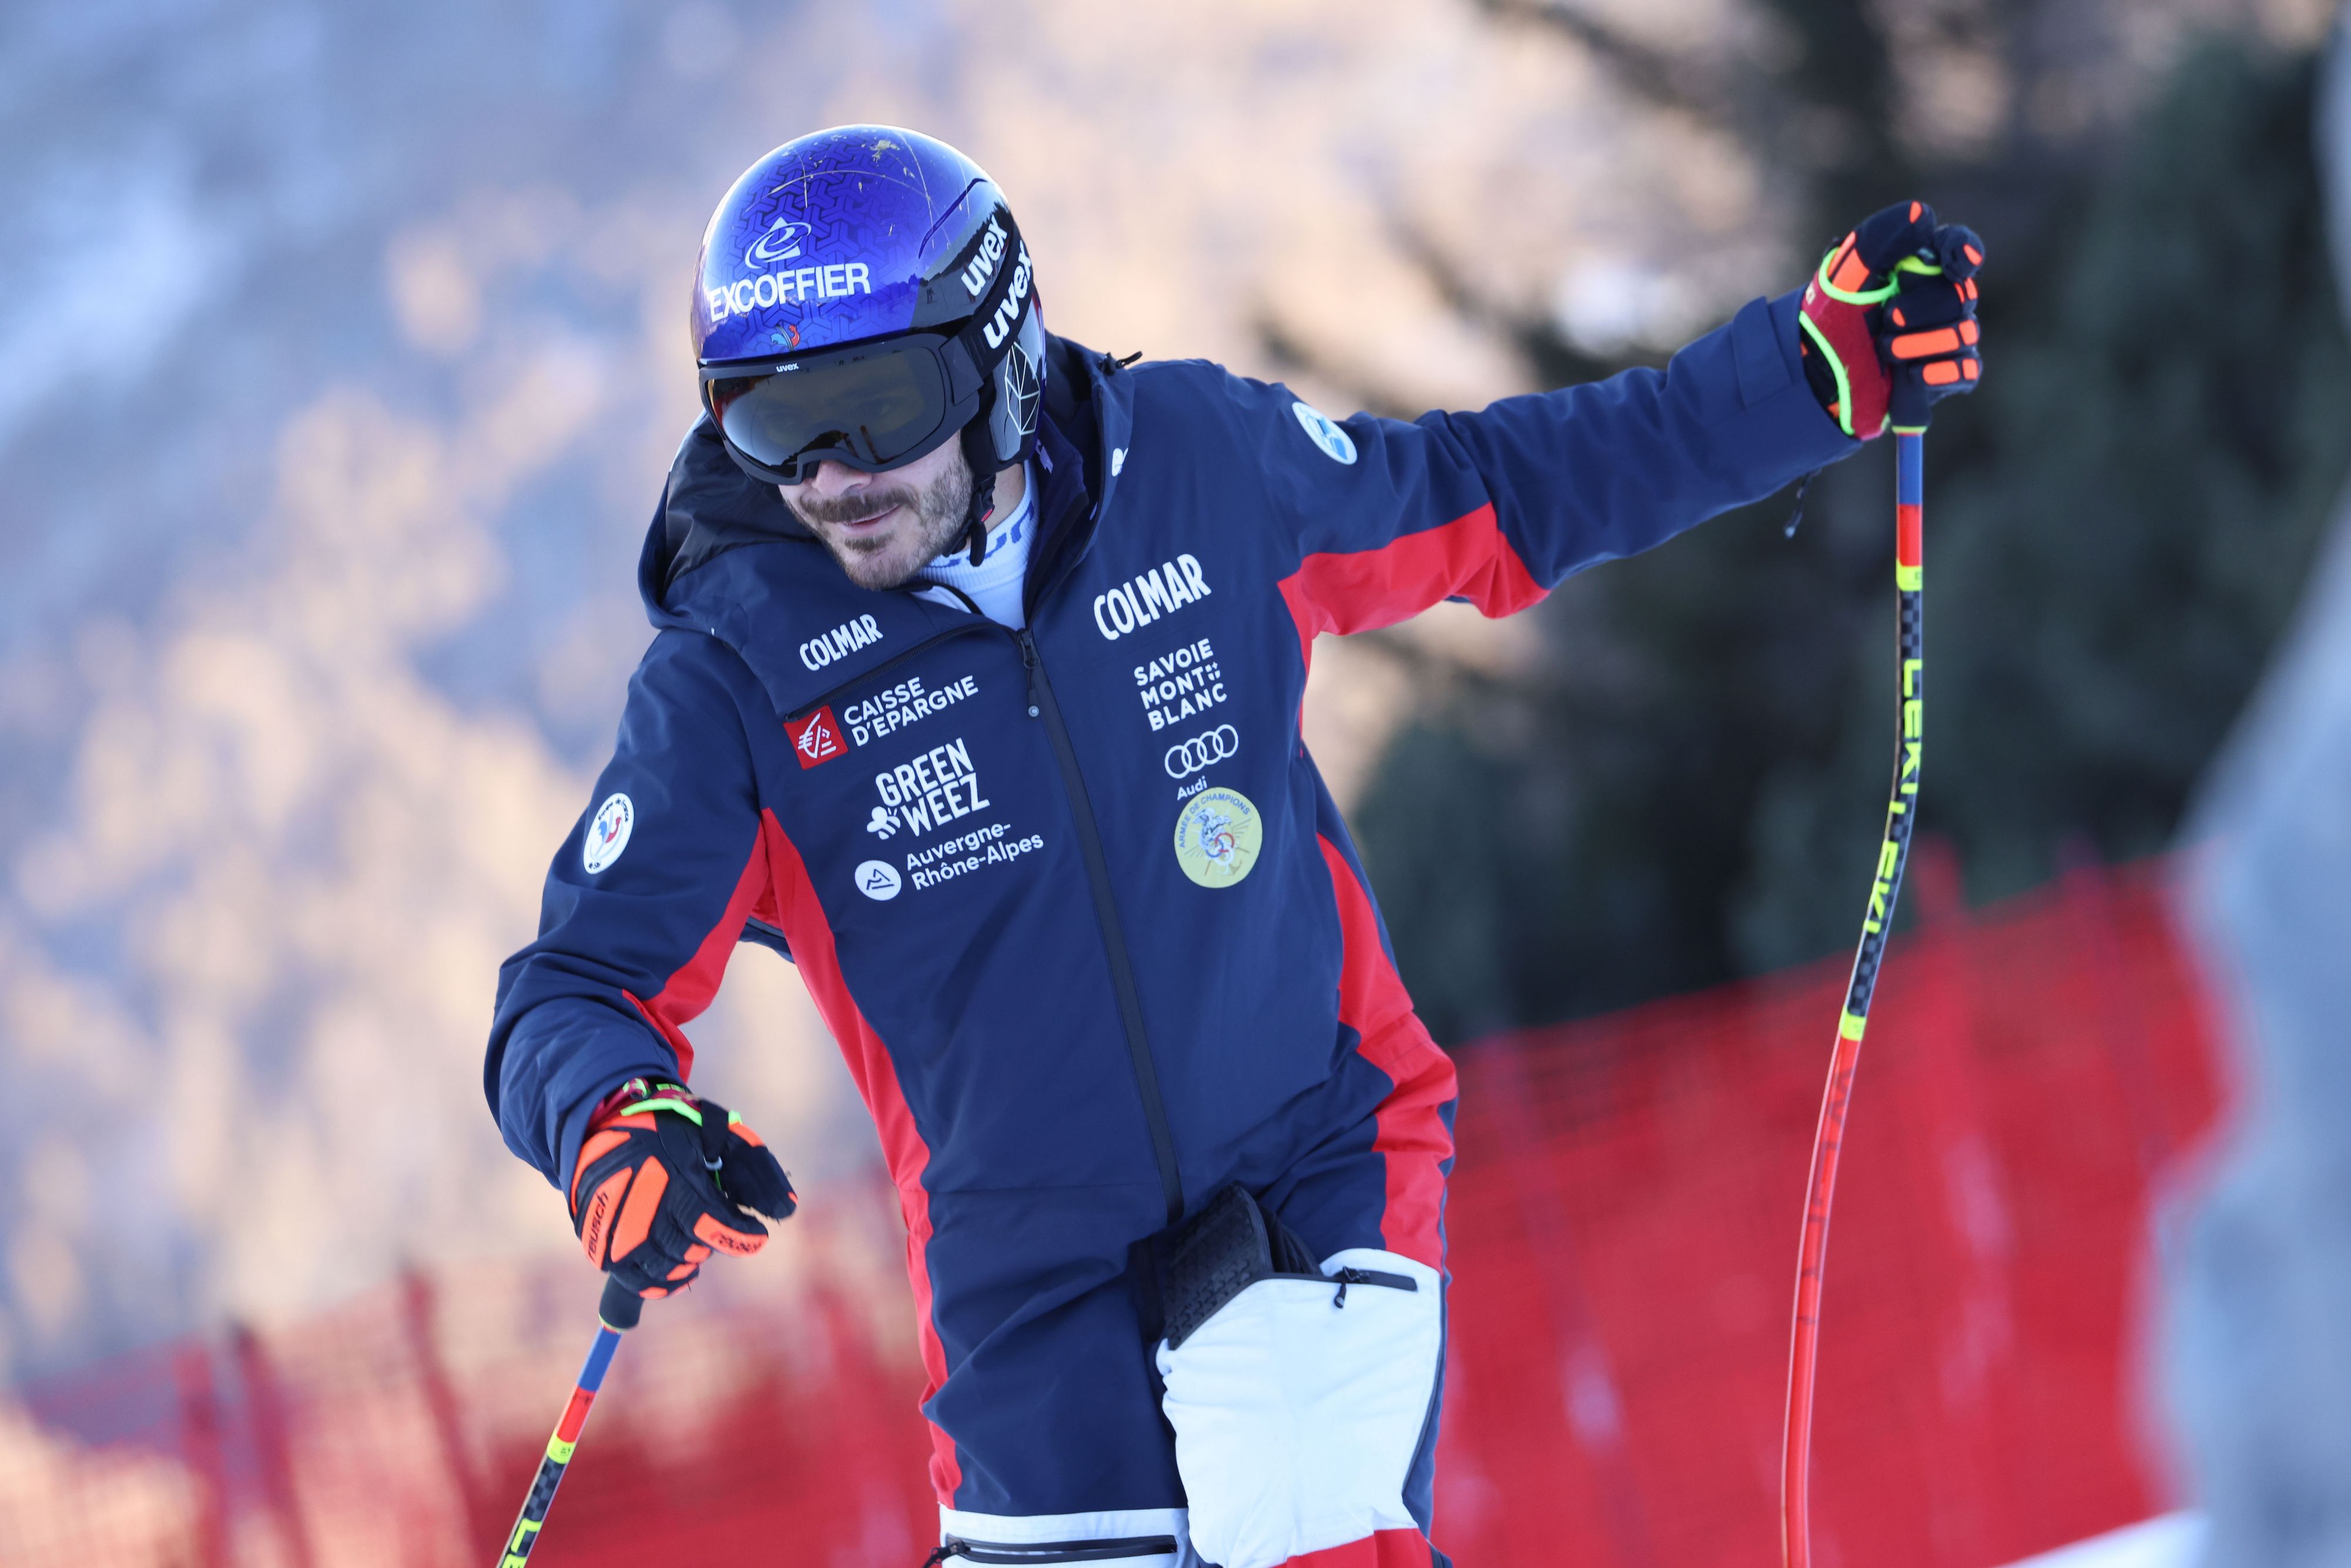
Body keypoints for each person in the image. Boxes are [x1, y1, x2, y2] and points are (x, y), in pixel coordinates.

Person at [484, 125, 1984, 1568]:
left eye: (872, 403)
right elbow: (573, 984)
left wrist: (1803, 380)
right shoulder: (739, 678)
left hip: (1317, 1150)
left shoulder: (1199, 473)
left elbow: (1499, 493)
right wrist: (610, 1115)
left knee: (1299, 1494)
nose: (827, 475)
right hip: (1029, 1291)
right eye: (767, 423)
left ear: (992, 351)